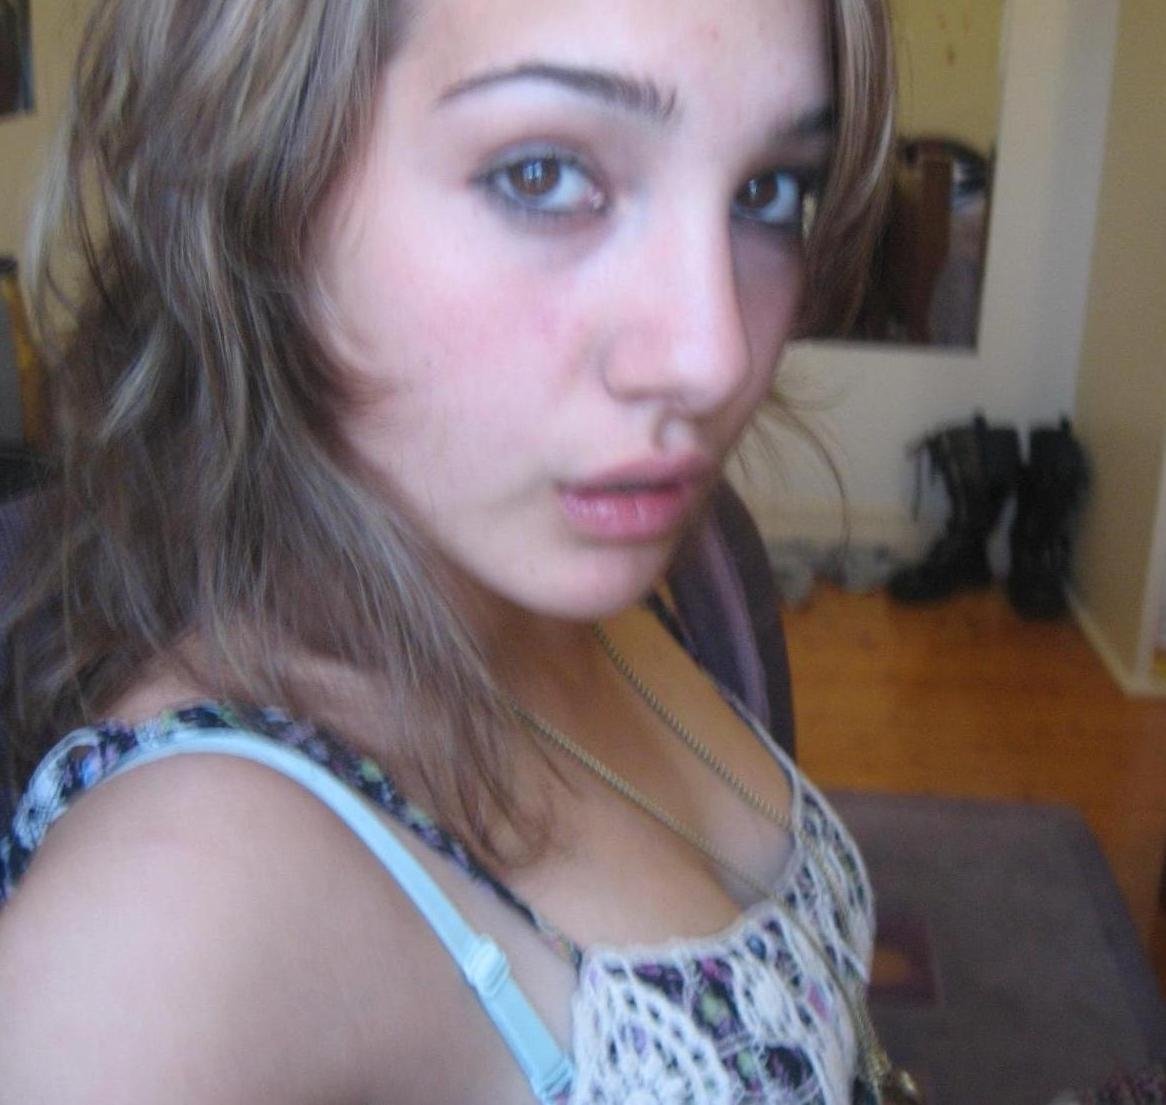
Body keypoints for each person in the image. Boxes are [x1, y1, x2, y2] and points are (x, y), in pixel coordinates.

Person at [0, 0, 899, 1102]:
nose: (712, 356)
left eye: (768, 191)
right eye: (543, 176)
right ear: (262, 184)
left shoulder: (575, 588)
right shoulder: (157, 937)